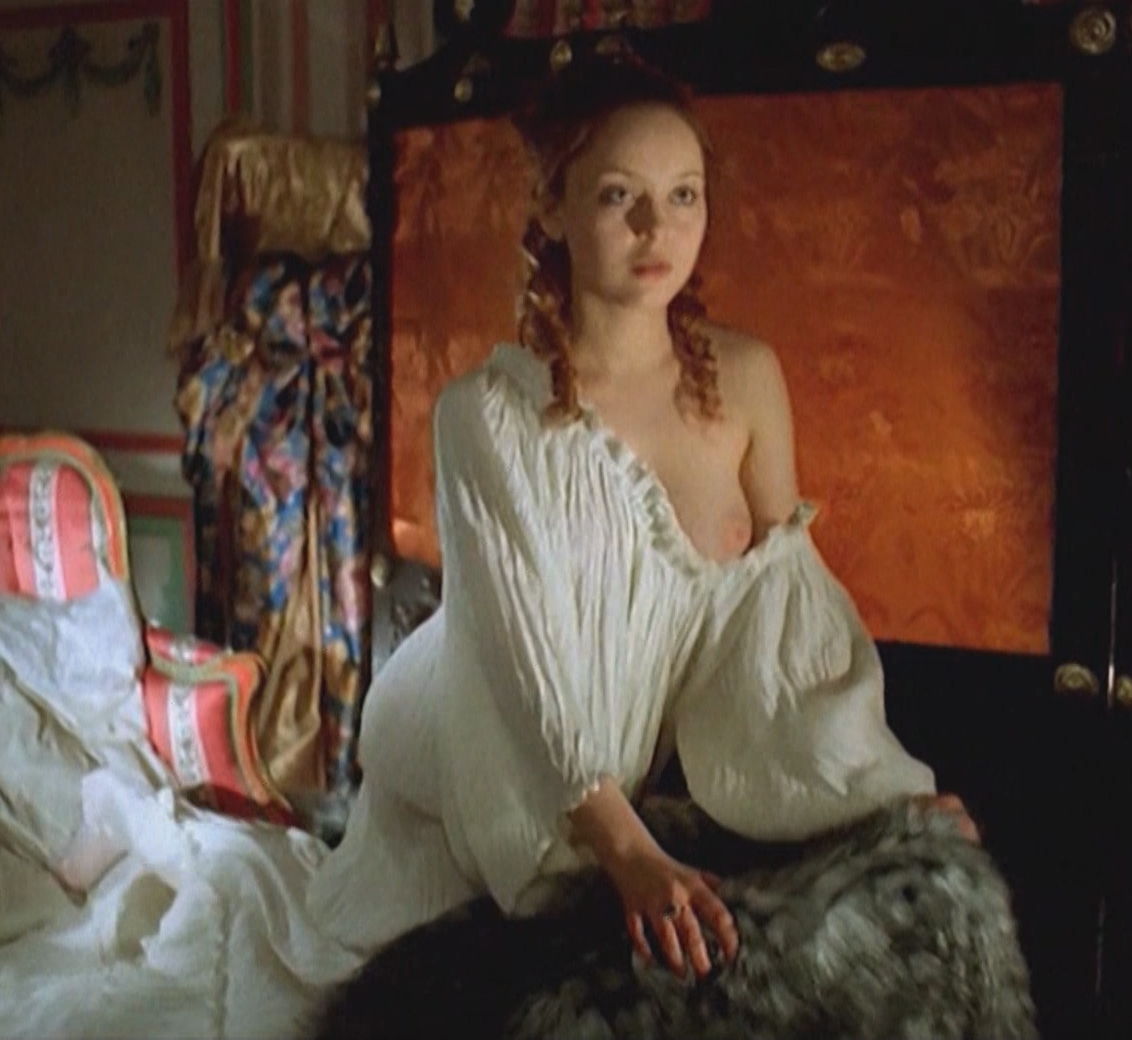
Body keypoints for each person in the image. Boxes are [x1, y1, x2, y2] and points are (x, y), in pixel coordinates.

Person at [307, 55, 973, 980]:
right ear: (553, 210)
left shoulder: (748, 380)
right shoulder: (485, 417)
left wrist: (881, 793)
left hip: (615, 754)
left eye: (684, 195)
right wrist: (629, 853)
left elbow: (783, 618)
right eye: (620, 196)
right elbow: (522, 664)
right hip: (472, 737)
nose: (659, 228)